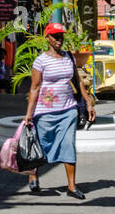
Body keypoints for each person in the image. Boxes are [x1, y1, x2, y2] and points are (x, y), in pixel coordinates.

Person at [22, 22, 96, 199]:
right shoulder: (40, 61)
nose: (59, 39)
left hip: (68, 110)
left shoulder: (69, 57)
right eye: (55, 36)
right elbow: (34, 87)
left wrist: (88, 102)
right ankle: (33, 175)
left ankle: (71, 186)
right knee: (41, 143)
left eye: (61, 36)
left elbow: (77, 82)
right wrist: (29, 114)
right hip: (45, 111)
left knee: (68, 145)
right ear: (47, 38)